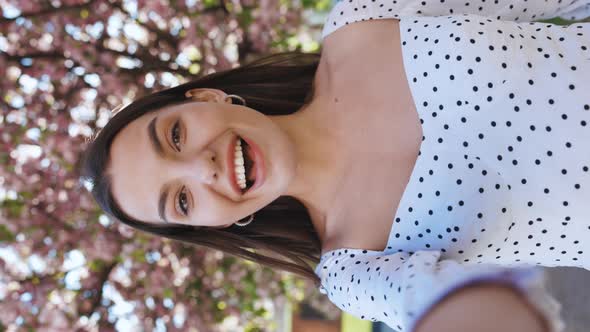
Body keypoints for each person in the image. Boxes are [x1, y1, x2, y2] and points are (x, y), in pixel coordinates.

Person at [80, 0, 590, 331]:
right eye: (183, 200)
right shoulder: (352, 271)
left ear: (207, 96)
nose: (203, 169)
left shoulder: (363, 17)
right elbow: (452, 306)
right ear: (212, 226)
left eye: (175, 136)